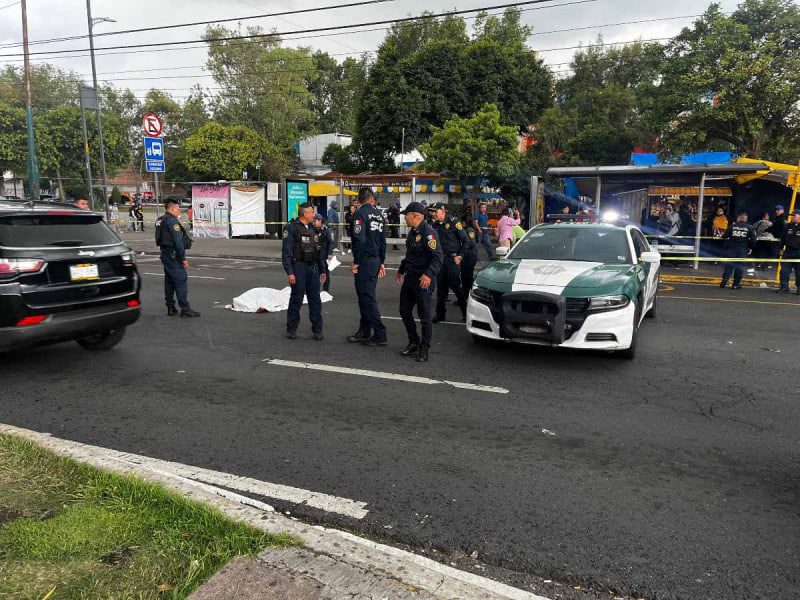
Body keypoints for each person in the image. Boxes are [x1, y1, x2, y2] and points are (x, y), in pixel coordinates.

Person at [396, 202, 443, 363]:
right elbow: (410, 254)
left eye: (406, 215)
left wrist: (428, 275)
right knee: (404, 310)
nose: (405, 218)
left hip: (424, 280)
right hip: (410, 278)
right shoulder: (412, 232)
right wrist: (401, 269)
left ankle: (424, 347)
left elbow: (438, 257)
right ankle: (414, 341)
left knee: (424, 316)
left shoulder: (429, 233)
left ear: (415, 215)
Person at [348, 188, 387, 346]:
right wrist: (382, 261)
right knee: (366, 298)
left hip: (365, 260)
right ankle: (364, 331)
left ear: (359, 198)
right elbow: (383, 241)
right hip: (375, 259)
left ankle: (380, 333)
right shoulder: (378, 215)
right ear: (371, 198)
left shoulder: (360, 214)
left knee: (367, 298)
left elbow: (360, 240)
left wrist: (356, 261)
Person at [282, 204, 326, 339]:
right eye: (312, 212)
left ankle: (317, 330)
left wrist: (322, 270)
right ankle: (291, 329)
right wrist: (290, 272)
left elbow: (319, 252)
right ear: (305, 214)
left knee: (315, 300)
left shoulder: (314, 229)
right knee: (297, 299)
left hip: (312, 267)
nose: (314, 215)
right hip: (298, 267)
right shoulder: (292, 228)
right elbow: (286, 252)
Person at [155, 199, 200, 318]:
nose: (179, 211)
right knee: (181, 280)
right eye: (178, 208)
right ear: (171, 209)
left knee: (169, 281)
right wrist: (183, 258)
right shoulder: (172, 221)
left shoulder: (160, 219)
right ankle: (185, 309)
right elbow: (178, 241)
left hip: (165, 253)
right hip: (173, 255)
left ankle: (170, 307)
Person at [430, 203, 468, 323]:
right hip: (441, 260)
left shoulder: (453, 221)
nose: (433, 214)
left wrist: (460, 256)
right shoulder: (435, 225)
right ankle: (440, 315)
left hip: (453, 260)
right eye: (432, 211)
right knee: (441, 289)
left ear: (442, 211)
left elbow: (466, 241)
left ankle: (466, 314)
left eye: (435, 211)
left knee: (456, 287)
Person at [720, 212, 756, 290]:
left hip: (731, 249)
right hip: (742, 250)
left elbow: (724, 236)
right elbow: (753, 241)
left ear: (739, 218)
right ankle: (735, 284)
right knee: (739, 267)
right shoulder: (750, 227)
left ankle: (724, 281)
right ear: (746, 219)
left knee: (729, 266)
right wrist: (750, 247)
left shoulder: (733, 226)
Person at [776, 209, 800, 294]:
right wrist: (780, 249)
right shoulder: (787, 226)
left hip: (799, 252)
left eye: (794, 215)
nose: (792, 217)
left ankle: (799, 288)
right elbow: (782, 239)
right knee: (784, 271)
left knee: (799, 272)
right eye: (792, 215)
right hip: (788, 251)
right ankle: (784, 287)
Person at [312, 213, 334, 293]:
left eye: (315, 221)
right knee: (314, 274)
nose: (313, 223)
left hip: (324, 255)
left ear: (320, 221)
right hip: (314, 255)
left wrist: (330, 253)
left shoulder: (326, 230)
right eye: (313, 221)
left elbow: (331, 243)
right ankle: (315, 291)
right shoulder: (312, 229)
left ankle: (325, 291)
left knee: (325, 273)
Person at [461, 216, 479, 298]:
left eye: (462, 222)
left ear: (465, 222)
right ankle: (465, 294)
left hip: (470, 256)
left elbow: (472, 243)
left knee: (467, 276)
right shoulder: (466, 230)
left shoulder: (470, 230)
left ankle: (468, 295)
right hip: (467, 255)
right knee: (464, 276)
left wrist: (462, 246)